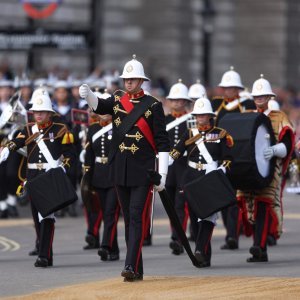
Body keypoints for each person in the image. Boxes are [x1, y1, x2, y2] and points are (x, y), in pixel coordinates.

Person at [79, 55, 170, 281]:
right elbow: (100, 106)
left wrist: (164, 174)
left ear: (141, 80)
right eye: (126, 79)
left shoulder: (154, 106)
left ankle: (129, 265)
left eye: (132, 79)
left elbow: (162, 142)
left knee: (137, 215)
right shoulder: (118, 101)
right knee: (129, 218)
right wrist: (89, 95)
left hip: (143, 170)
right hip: (120, 168)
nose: (128, 83)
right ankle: (137, 268)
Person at [0, 87, 76, 267]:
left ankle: (43, 255)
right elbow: (16, 142)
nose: (39, 115)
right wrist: (6, 149)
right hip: (33, 176)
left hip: (50, 175)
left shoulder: (60, 129)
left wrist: (63, 170)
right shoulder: (27, 129)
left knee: (47, 216)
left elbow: (70, 155)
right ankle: (46, 254)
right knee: (37, 216)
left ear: (49, 113)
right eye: (36, 111)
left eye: (42, 112)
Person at [169, 97, 234, 267]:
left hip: (210, 177)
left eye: (203, 115)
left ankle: (198, 250)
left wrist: (223, 169)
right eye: (198, 115)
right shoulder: (190, 133)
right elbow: (176, 152)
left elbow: (228, 157)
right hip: (191, 178)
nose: (200, 118)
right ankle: (205, 257)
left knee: (208, 217)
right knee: (195, 217)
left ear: (210, 116)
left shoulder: (221, 133)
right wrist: (161, 164)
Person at [236, 75, 294, 262]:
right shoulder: (247, 115)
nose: (259, 99)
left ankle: (259, 246)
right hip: (249, 169)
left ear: (269, 97)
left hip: (271, 169)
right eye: (257, 96)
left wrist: (274, 149)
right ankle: (259, 245)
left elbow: (287, 145)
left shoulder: (280, 117)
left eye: (263, 96)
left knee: (263, 205)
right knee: (249, 205)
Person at [212, 66, 256, 250]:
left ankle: (233, 235)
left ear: (238, 89)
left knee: (236, 198)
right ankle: (230, 233)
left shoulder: (247, 105)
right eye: (226, 88)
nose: (229, 91)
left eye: (232, 88)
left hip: (240, 156)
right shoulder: (215, 105)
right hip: (219, 155)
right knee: (223, 197)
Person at [82, 92, 120, 260]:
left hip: (114, 175)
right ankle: (114, 249)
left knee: (111, 212)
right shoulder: (93, 129)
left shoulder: (119, 126)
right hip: (98, 175)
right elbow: (89, 155)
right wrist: (88, 180)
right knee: (105, 213)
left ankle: (105, 245)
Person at [165, 79, 192, 255]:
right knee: (170, 204)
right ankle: (175, 234)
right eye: (174, 100)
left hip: (183, 166)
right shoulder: (165, 120)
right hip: (167, 167)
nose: (177, 103)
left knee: (180, 205)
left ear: (185, 102)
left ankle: (178, 238)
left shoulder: (191, 121)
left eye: (180, 100)